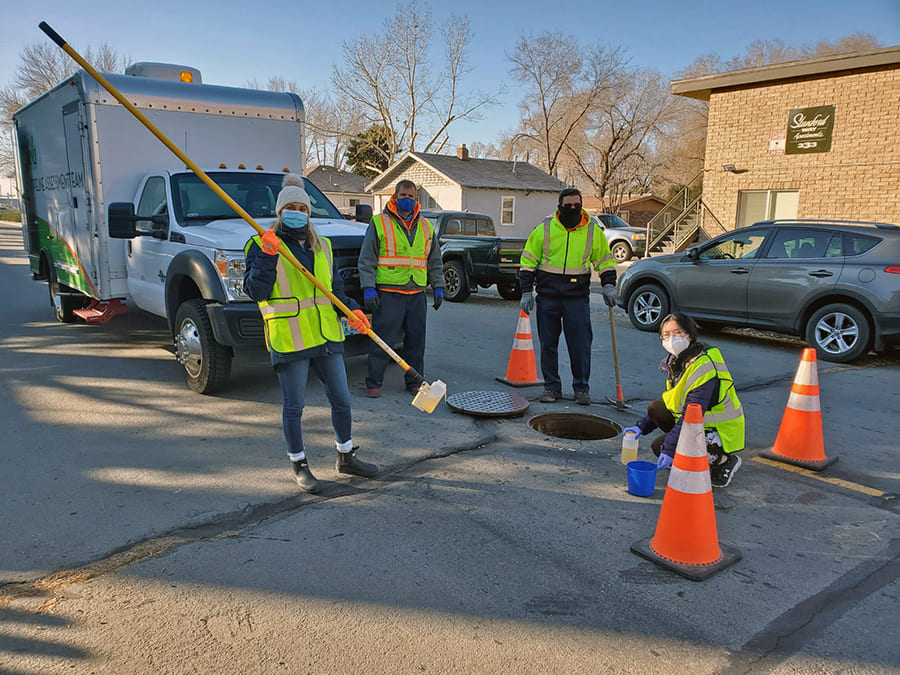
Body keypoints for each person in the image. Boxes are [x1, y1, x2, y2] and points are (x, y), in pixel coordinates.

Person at [244, 173, 378, 494]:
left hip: (327, 336)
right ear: (279, 212)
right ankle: (299, 464)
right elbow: (254, 291)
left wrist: (352, 310)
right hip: (290, 337)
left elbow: (333, 291)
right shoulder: (262, 244)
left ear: (308, 211)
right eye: (289, 207)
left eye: (301, 208)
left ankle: (345, 456)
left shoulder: (324, 246)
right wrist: (266, 255)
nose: (296, 212)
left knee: (342, 400)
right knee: (295, 406)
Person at [518, 187, 617, 405]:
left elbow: (605, 261)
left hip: (577, 298)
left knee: (580, 345)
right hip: (548, 297)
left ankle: (581, 388)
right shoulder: (544, 229)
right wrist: (526, 291)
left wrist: (609, 285)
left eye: (577, 205)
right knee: (548, 345)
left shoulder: (592, 231)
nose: (573, 209)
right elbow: (528, 262)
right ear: (559, 207)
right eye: (568, 206)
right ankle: (551, 387)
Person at [622, 313, 745, 488]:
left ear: (690, 334)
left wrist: (671, 449)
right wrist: (641, 426)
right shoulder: (677, 363)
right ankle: (687, 451)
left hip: (721, 431)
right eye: (666, 335)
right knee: (656, 409)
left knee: (663, 447)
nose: (671, 339)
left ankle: (724, 459)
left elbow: (691, 413)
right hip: (698, 423)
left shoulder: (704, 366)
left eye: (678, 333)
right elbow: (673, 403)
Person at [357, 179, 444, 397]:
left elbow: (434, 260)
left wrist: (439, 286)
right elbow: (367, 259)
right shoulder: (379, 223)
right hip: (389, 294)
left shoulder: (426, 227)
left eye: (411, 196)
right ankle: (373, 383)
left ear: (417, 200)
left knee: (416, 342)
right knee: (382, 341)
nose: (407, 200)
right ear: (394, 197)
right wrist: (368, 287)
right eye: (403, 196)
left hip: (416, 295)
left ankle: (414, 382)